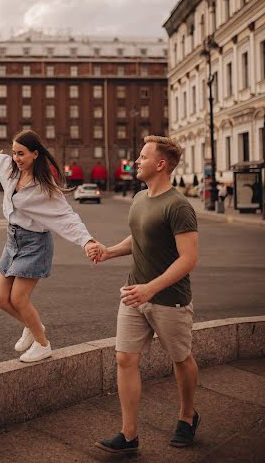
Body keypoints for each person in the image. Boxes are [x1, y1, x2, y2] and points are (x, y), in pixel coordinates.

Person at [87, 135, 199, 454]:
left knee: (181, 359)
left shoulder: (178, 206)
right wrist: (109, 252)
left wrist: (151, 288)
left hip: (169, 299)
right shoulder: (139, 198)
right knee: (124, 358)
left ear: (160, 164)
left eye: (142, 156)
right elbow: (138, 239)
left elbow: (188, 258)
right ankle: (129, 435)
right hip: (134, 293)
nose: (136, 161)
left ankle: (188, 417)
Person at [0, 130, 100, 363]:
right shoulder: (11, 168)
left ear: (35, 154)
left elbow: (66, 216)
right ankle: (32, 324)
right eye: (14, 152)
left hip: (35, 244)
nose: (16, 157)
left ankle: (42, 344)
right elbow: (3, 161)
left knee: (18, 299)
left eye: (22, 153)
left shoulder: (44, 187)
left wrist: (87, 240)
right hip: (12, 240)